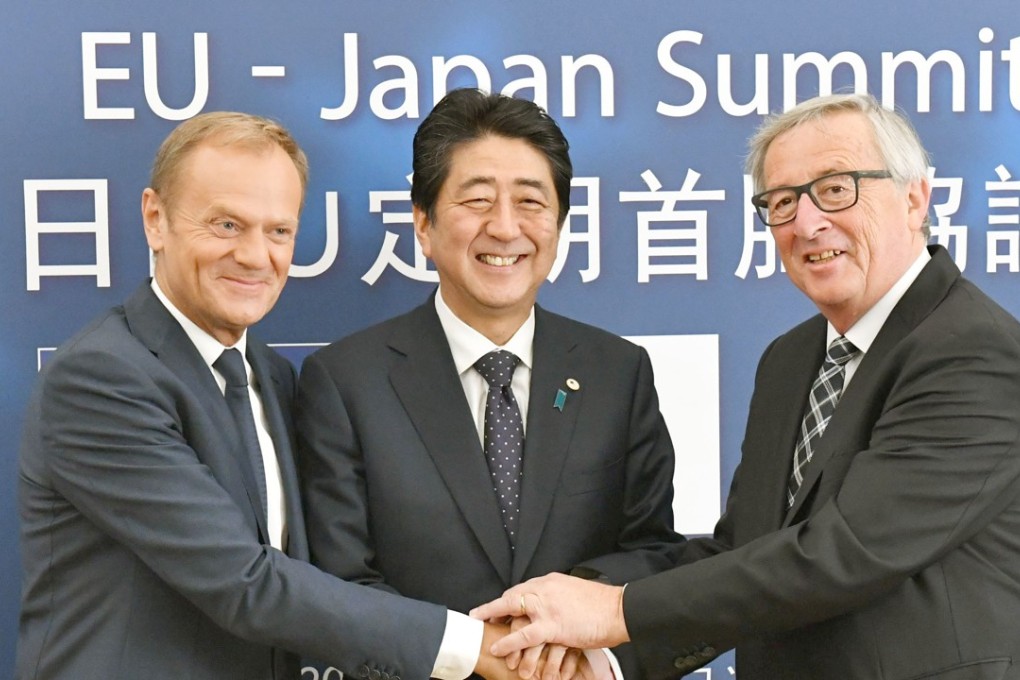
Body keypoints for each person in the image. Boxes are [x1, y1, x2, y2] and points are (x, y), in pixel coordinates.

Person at [471, 93, 1020, 680]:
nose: (807, 223)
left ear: (915, 198)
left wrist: (615, 611)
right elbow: (743, 551)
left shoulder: (975, 350)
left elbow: (842, 553)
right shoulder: (790, 359)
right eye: (782, 202)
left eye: (836, 188)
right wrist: (607, 660)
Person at [17, 111, 516, 680]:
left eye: (278, 231)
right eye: (226, 225)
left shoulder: (271, 376)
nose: (257, 256)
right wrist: (471, 644)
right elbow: (246, 583)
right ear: (156, 219)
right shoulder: (100, 380)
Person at [295, 89, 681, 680]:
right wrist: (465, 650)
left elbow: (655, 552)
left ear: (558, 224)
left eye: (531, 202)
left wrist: (566, 642)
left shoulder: (618, 372)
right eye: (476, 200)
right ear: (422, 223)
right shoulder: (346, 381)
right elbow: (343, 583)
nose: (505, 227)